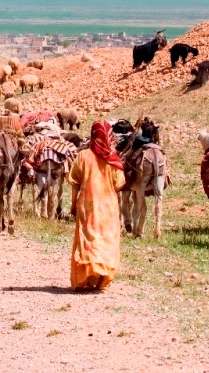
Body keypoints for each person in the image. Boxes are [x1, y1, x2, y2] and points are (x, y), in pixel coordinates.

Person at [68, 120, 126, 291]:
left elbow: (75, 182)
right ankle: (102, 279)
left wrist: (73, 204)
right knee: (106, 239)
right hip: (108, 207)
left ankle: (86, 276)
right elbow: (118, 184)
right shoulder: (113, 160)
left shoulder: (83, 156)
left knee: (88, 239)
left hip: (87, 205)